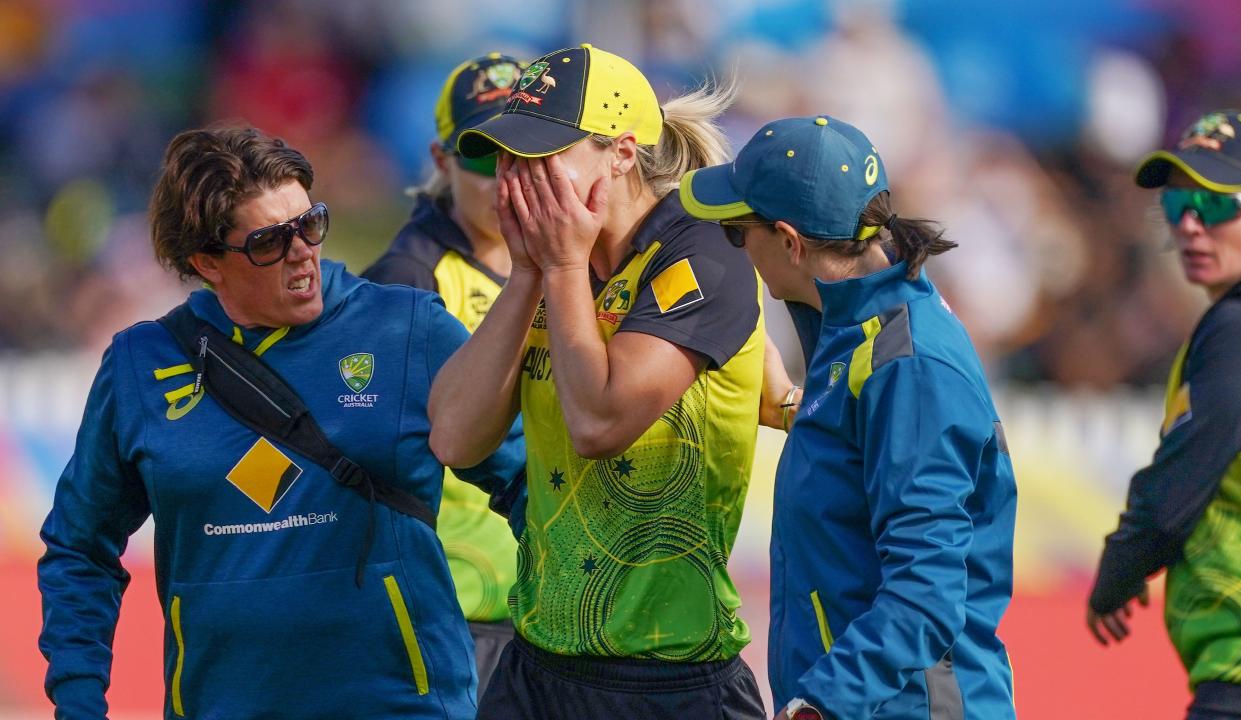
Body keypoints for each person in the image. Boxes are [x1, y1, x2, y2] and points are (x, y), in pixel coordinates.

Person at [37, 125, 525, 719]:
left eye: (310, 224)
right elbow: (80, 546)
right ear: (206, 262)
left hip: (403, 704)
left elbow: (527, 483)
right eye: (271, 241)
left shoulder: (409, 329)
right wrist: (79, 698)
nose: (302, 251)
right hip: (221, 707)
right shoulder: (142, 363)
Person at [428, 43, 768, 719]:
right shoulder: (556, 261)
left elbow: (599, 424)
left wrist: (556, 269)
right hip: (534, 664)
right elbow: (455, 438)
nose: (513, 177)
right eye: (504, 155)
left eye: (540, 153)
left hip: (668, 679)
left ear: (620, 152)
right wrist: (528, 275)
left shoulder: (702, 253)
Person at [680, 115, 1018, 719]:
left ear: (789, 242)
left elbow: (927, 593)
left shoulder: (906, 366)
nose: (736, 248)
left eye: (737, 232)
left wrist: (819, 706)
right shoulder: (862, 324)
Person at [1088, 109, 1241, 720]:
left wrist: (1120, 568)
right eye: (1178, 206)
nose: (1192, 226)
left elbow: (1179, 482)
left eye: (1219, 206)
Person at [363, 51, 525, 700]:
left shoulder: (573, 263)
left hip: (556, 606)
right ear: (440, 161)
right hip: (458, 616)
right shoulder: (408, 282)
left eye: (527, 153)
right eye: (485, 156)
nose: (508, 178)